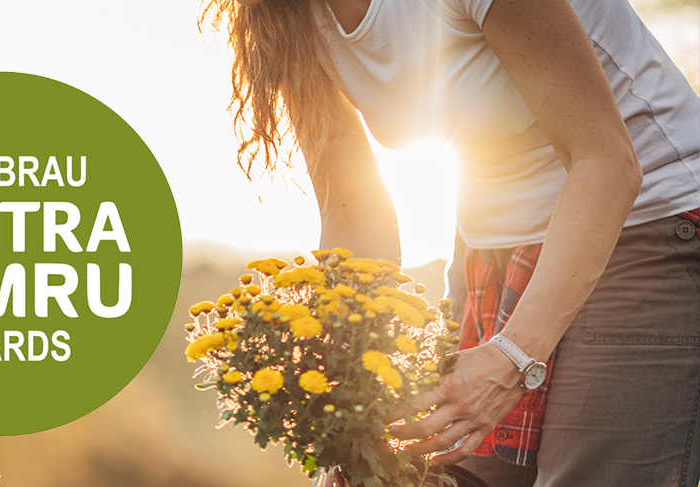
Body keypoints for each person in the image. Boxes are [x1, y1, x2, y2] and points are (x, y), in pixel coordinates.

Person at [203, 0, 700, 485]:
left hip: (643, 229)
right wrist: (349, 419)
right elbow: (357, 219)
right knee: (435, 475)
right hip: (490, 255)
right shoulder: (284, 15)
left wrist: (511, 356)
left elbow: (607, 161)